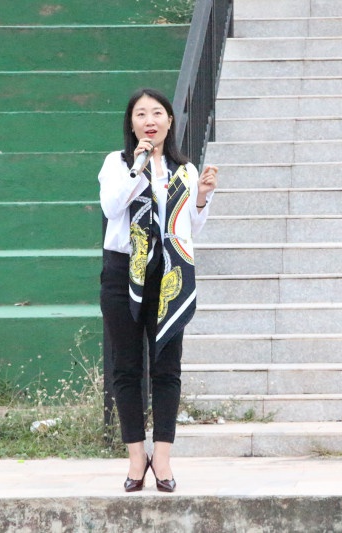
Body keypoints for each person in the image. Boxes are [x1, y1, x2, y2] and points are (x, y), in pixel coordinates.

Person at [98, 88, 218, 492]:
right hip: (123, 273)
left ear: (169, 121)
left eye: (157, 113)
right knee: (126, 368)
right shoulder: (117, 164)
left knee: (167, 368)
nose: (149, 120)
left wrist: (201, 199)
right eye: (141, 114)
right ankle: (136, 458)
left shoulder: (184, 170)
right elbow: (112, 208)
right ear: (131, 124)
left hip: (169, 275)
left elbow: (189, 229)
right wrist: (138, 168)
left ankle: (162, 458)